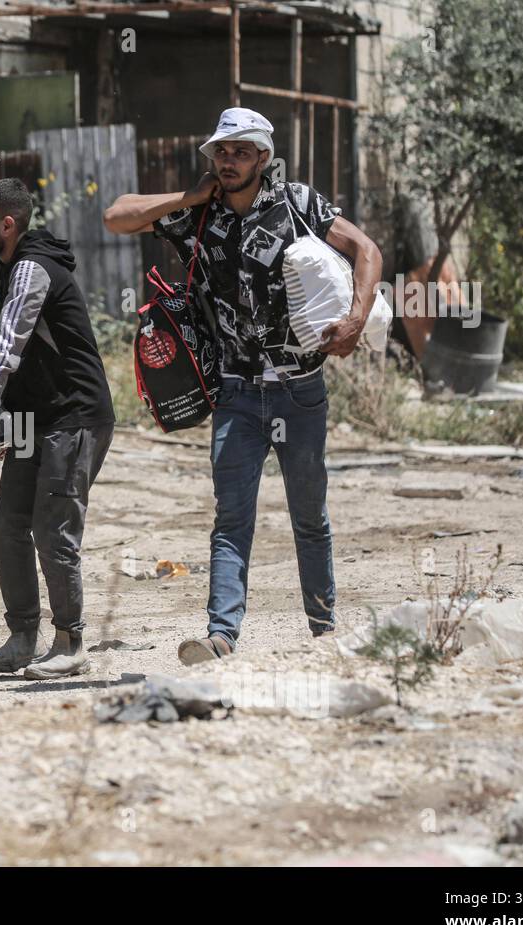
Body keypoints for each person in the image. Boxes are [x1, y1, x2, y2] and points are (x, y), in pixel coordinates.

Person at [104, 107, 382, 664]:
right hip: (235, 390)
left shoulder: (297, 204)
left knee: (310, 516)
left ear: (263, 157)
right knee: (231, 518)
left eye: (240, 152)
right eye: (221, 152)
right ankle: (220, 635)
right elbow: (116, 216)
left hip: (299, 389)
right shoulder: (198, 216)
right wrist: (187, 198)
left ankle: (324, 630)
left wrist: (355, 318)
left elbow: (367, 252)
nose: (227, 161)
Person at [0, 178, 116, 680]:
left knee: (53, 531)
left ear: (7, 224)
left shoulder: (30, 269)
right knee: (8, 528)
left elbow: (6, 348)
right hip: (34, 420)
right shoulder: (10, 267)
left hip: (73, 417)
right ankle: (22, 638)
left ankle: (70, 643)